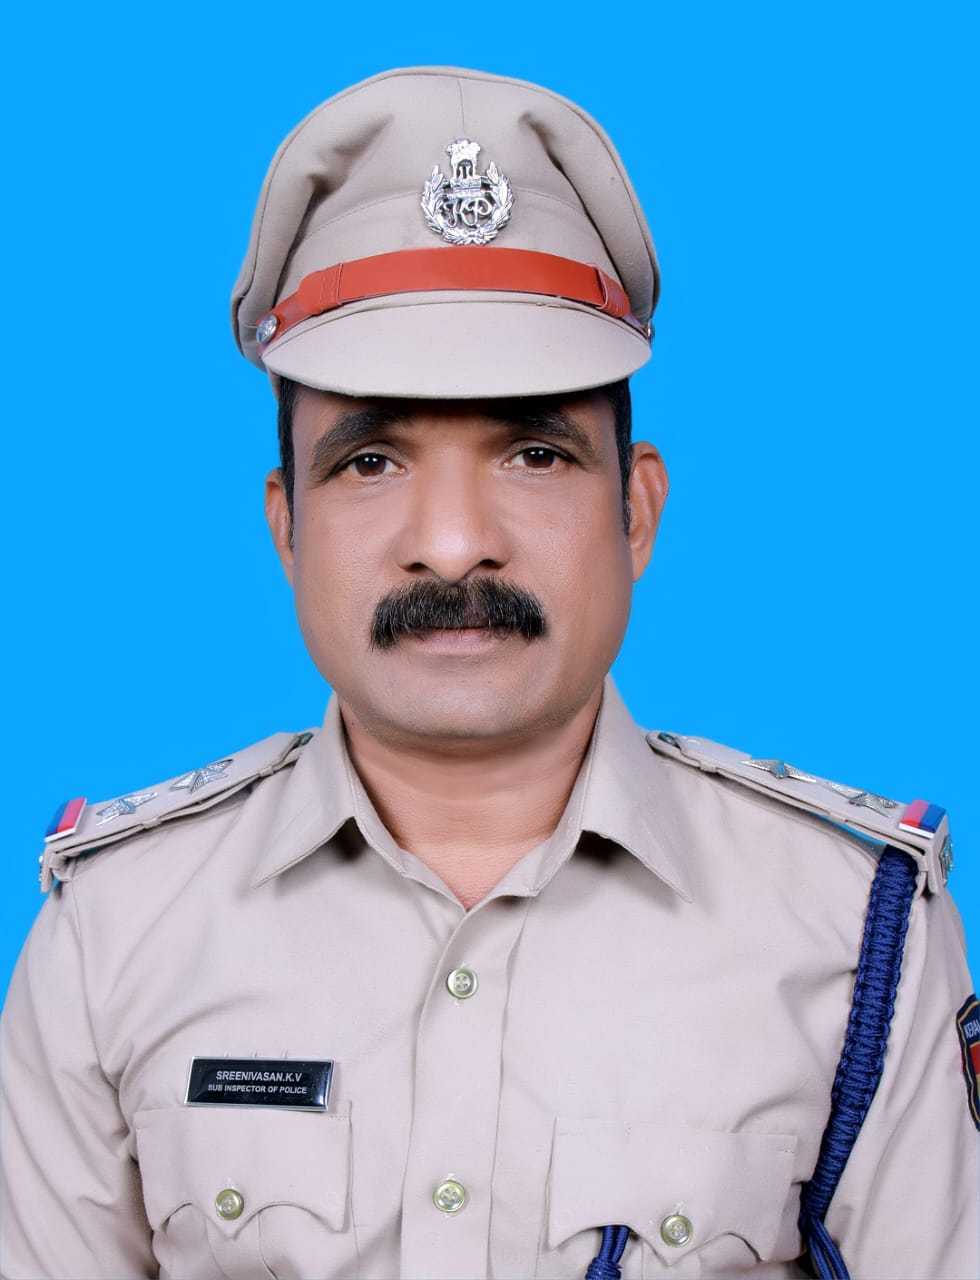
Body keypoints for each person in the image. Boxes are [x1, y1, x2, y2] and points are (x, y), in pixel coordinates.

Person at [1, 65, 977, 1280]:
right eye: (369, 461)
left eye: (532, 452)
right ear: (285, 524)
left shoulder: (853, 925)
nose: (455, 543)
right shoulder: (113, 932)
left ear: (635, 511)